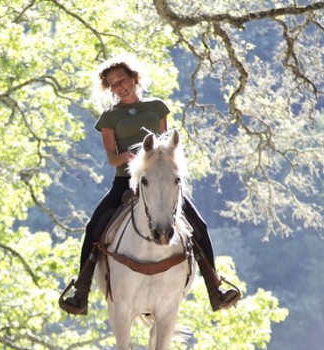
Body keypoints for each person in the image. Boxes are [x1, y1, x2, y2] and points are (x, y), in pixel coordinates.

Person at [60, 55, 241, 315]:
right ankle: (82, 290)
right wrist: (133, 157)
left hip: (159, 181)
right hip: (126, 182)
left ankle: (216, 287)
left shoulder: (157, 107)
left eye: (122, 79)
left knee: (198, 225)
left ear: (134, 78)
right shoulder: (109, 117)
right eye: (112, 84)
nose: (119, 86)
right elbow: (112, 159)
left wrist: (157, 161)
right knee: (94, 227)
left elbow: (166, 147)